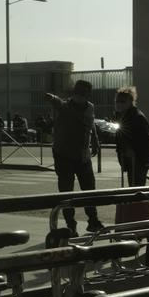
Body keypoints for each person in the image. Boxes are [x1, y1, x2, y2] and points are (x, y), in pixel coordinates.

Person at [45, 80, 104, 232]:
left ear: (88, 94)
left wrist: (96, 142)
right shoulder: (64, 106)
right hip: (63, 155)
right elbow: (56, 101)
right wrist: (51, 97)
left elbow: (91, 126)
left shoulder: (90, 107)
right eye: (77, 92)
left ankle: (93, 220)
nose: (79, 95)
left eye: (83, 93)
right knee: (67, 191)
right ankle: (70, 224)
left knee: (89, 189)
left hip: (83, 156)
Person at [114, 87, 149, 188]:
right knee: (133, 186)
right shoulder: (123, 116)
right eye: (117, 101)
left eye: (122, 101)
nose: (119, 104)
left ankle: (138, 203)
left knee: (137, 188)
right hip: (131, 159)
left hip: (138, 159)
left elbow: (144, 140)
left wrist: (132, 150)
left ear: (130, 102)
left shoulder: (136, 116)